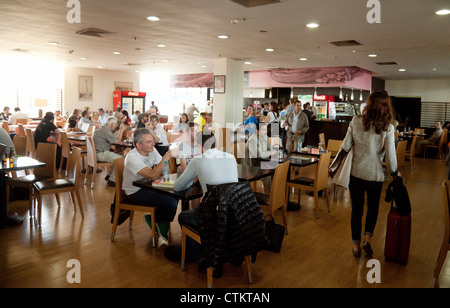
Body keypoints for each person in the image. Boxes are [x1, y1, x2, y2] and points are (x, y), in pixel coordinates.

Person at [342, 90, 398, 258]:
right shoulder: (388, 126)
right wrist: (393, 172)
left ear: (369, 103)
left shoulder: (356, 121)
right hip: (375, 175)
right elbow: (390, 155)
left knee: (356, 210)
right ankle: (367, 239)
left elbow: (345, 146)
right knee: (372, 208)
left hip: (356, 173)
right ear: (386, 106)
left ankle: (356, 246)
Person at [174, 132, 238, 266]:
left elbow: (178, 186)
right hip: (235, 212)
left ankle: (200, 257)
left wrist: (193, 179)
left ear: (199, 146)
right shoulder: (231, 157)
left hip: (214, 214)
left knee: (183, 216)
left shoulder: (198, 160)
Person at [123, 128, 178, 247]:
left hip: (149, 185)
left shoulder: (152, 150)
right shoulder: (133, 158)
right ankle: (159, 223)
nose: (153, 143)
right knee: (171, 200)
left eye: (152, 140)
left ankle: (157, 221)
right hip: (135, 191)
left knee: (176, 192)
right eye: (148, 142)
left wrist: (165, 173)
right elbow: (153, 175)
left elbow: (163, 168)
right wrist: (166, 157)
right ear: (138, 145)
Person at [93, 116, 127, 186]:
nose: (116, 126)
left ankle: (109, 176)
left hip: (97, 153)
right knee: (121, 159)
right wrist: (121, 130)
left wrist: (117, 133)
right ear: (112, 124)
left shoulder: (102, 128)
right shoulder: (106, 130)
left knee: (116, 156)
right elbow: (117, 141)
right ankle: (112, 180)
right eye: (115, 125)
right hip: (101, 154)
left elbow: (111, 138)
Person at [243, 122, 277, 193]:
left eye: (266, 130)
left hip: (260, 162)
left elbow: (270, 149)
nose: (265, 132)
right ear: (257, 131)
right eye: (263, 130)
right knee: (266, 172)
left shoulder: (265, 137)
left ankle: (275, 193)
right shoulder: (252, 140)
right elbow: (259, 155)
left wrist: (265, 152)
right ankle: (270, 195)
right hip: (250, 166)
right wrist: (268, 153)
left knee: (275, 170)